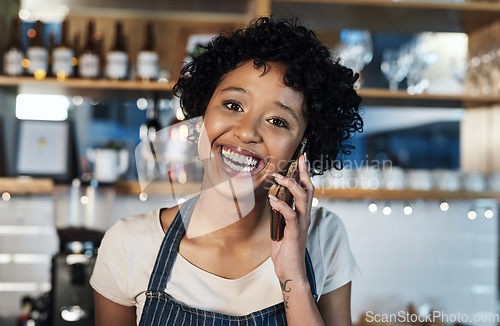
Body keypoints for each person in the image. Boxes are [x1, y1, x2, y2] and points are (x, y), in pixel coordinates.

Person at [91, 16, 363, 326]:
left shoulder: (324, 236)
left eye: (278, 121)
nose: (247, 132)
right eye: (233, 105)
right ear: (203, 115)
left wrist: (293, 278)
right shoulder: (129, 243)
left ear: (302, 148)